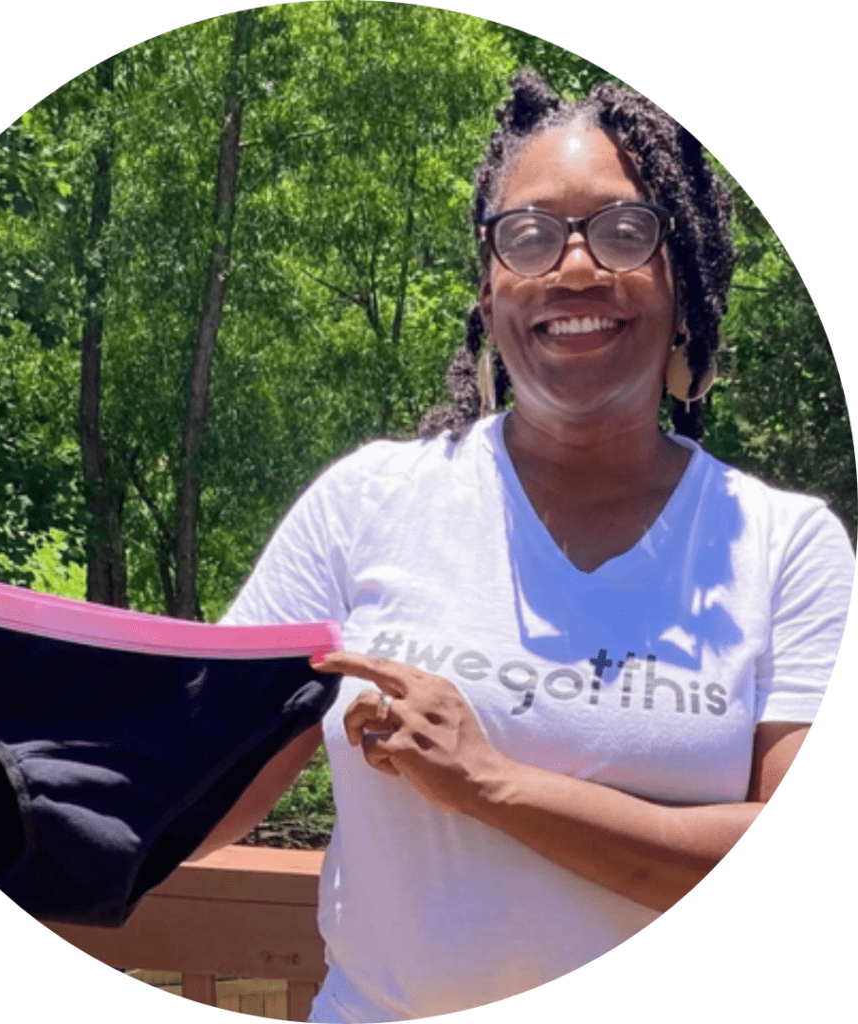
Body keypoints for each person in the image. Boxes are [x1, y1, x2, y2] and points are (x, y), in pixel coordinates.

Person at [189, 71, 855, 1022]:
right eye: (531, 235)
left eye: (624, 231)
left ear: (685, 284)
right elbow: (200, 773)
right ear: (491, 287)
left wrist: (492, 784)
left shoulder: (785, 548)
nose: (574, 268)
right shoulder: (366, 503)